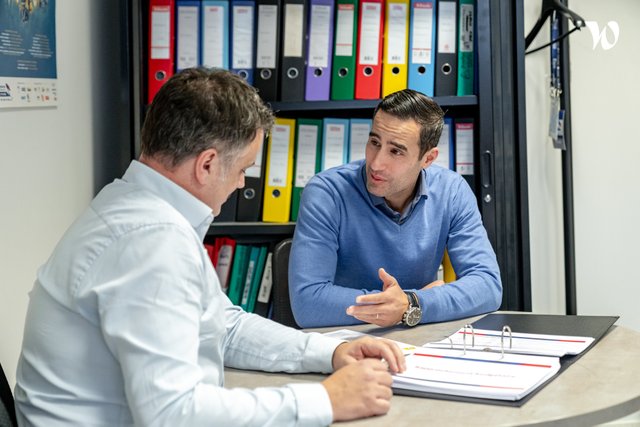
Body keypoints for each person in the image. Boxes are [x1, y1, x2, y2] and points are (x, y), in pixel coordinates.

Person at [14, 68, 405, 427]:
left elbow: (222, 326)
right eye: (242, 170)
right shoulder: (151, 242)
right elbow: (173, 415)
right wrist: (324, 401)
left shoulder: (131, 204)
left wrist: (330, 353)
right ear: (206, 165)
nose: (240, 184)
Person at [289, 89, 502, 328]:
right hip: (345, 342)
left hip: (417, 341)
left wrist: (411, 303)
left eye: (396, 151)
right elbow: (308, 304)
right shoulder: (327, 192)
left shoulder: (452, 191)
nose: (376, 163)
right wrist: (410, 305)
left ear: (428, 159)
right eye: (374, 142)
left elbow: (488, 286)